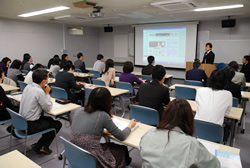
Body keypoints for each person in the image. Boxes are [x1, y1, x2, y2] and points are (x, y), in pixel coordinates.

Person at [140, 98, 220, 168]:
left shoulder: (149, 133)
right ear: (189, 119)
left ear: (166, 115)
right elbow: (215, 165)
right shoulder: (192, 145)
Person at [71, 87, 136, 168]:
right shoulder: (102, 115)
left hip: (76, 152)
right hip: (92, 156)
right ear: (107, 102)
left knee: (111, 145)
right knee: (122, 149)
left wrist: (100, 132)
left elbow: (82, 130)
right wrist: (130, 126)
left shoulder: (79, 110)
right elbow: (122, 136)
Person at [19, 69, 62, 155]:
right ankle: (42, 146)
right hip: (30, 125)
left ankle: (41, 145)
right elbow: (48, 108)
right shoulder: (39, 92)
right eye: (47, 79)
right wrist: (47, 93)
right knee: (57, 124)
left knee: (49, 120)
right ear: (43, 82)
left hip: (21, 122)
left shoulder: (28, 86)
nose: (48, 80)